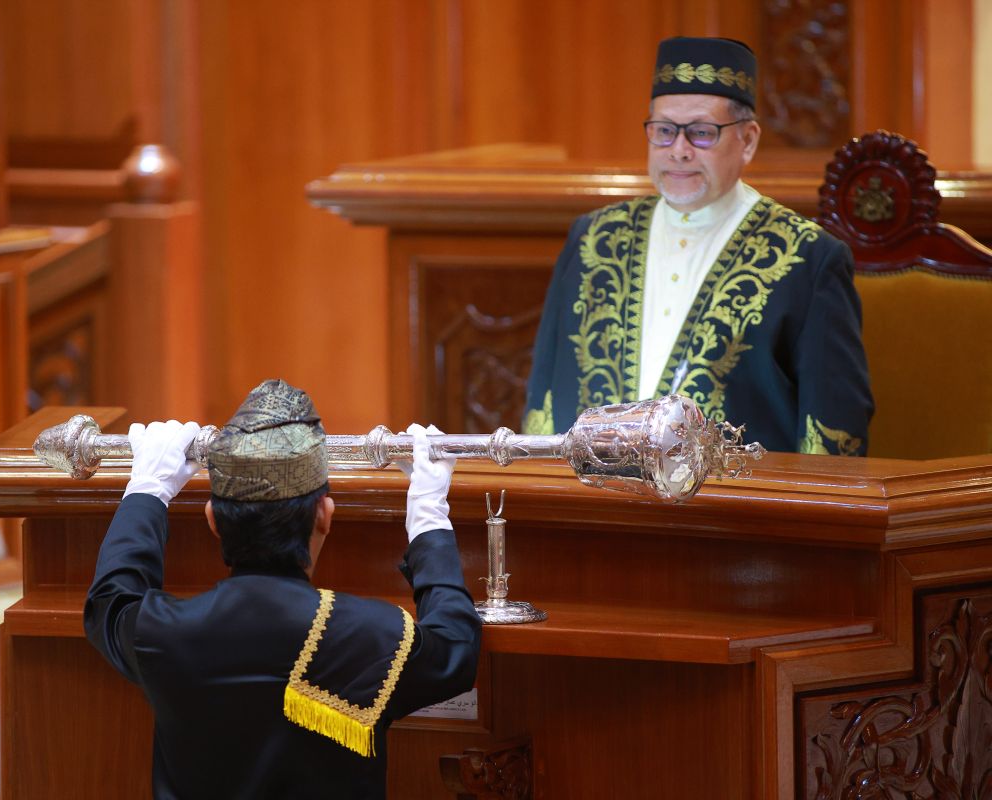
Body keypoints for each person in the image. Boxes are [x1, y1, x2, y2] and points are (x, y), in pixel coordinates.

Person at [84, 378, 481, 799]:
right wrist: (428, 514)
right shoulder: (371, 636)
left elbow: (110, 602)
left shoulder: (164, 632)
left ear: (213, 520)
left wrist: (147, 491)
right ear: (324, 516)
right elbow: (456, 647)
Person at [523, 36, 873, 455]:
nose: (679, 151)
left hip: (737, 496)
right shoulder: (594, 238)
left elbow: (832, 432)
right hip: (590, 492)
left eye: (702, 133)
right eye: (664, 132)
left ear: (748, 140)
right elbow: (543, 402)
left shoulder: (808, 257)